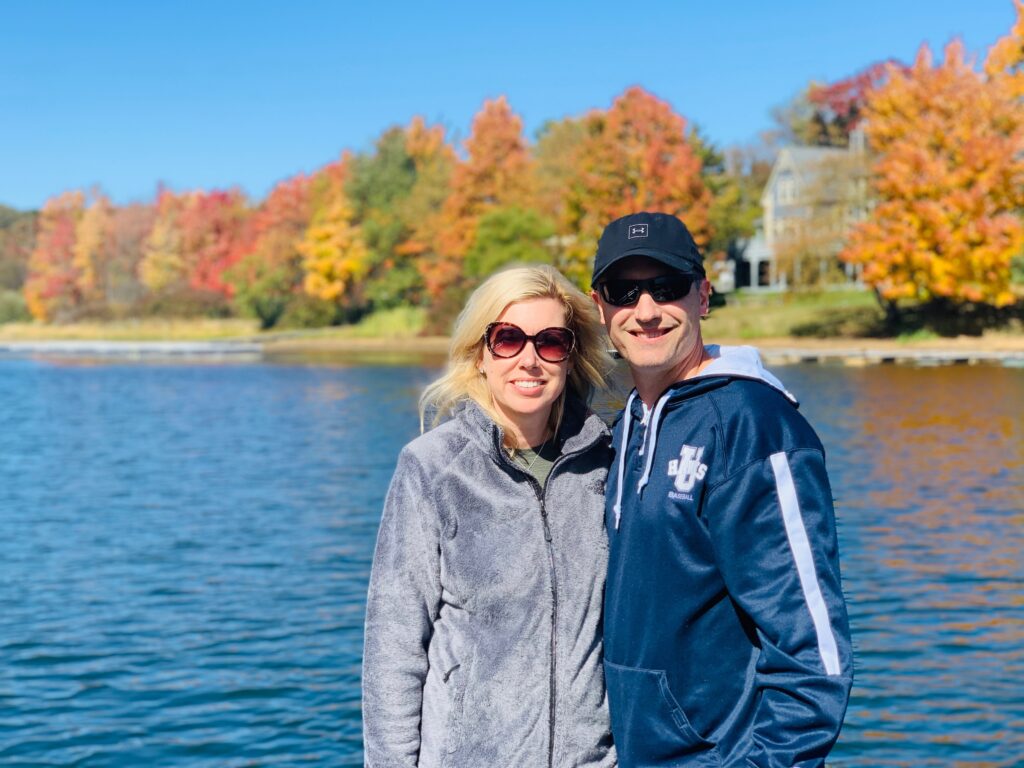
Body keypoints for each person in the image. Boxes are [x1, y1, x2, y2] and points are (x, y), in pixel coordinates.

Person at [590, 212, 853, 768]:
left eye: (667, 288)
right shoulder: (625, 422)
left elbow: (813, 652)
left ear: (702, 297)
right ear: (600, 308)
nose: (645, 310)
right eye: (623, 291)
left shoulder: (754, 424)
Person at [362, 264, 617, 768]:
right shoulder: (432, 468)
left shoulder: (609, 460)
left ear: (571, 356)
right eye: (507, 339)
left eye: (550, 341)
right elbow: (393, 652)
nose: (529, 359)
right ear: (481, 353)